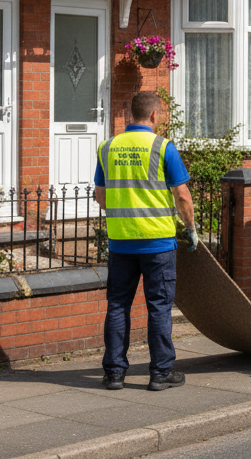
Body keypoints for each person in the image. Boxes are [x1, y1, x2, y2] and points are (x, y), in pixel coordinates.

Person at [94, 90, 197, 392]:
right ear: (153, 115)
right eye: (162, 114)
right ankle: (160, 373)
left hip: (121, 243)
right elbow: (182, 196)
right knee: (159, 307)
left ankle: (114, 374)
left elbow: (101, 197)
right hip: (158, 244)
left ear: (130, 115)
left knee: (117, 306)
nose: (162, 119)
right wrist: (189, 228)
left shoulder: (107, 147)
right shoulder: (163, 147)